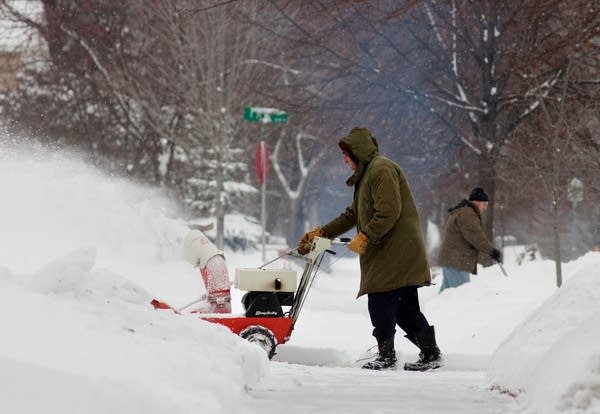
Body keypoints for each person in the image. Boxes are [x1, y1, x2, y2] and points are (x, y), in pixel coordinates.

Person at [297, 127, 442, 371]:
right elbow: (354, 213)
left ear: (358, 152)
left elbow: (389, 211)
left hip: (394, 250)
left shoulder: (381, 169)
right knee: (404, 307)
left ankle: (387, 355)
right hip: (391, 249)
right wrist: (322, 233)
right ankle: (430, 353)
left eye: (346, 155)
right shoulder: (368, 175)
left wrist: (366, 235)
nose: (344, 160)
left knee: (381, 301)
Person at [437, 187, 502, 293]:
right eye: (484, 204)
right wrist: (491, 250)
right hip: (457, 261)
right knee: (460, 295)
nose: (485, 208)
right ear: (477, 202)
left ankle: (436, 309)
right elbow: (476, 237)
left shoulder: (464, 212)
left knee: (447, 296)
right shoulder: (468, 214)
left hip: (453, 259)